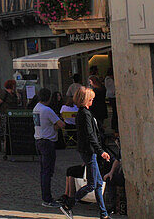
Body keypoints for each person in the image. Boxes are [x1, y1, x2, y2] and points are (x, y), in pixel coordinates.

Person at [59, 85, 111, 219]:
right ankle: (68, 205)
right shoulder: (84, 114)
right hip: (89, 150)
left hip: (89, 149)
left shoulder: (84, 113)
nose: (92, 101)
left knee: (98, 184)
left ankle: (103, 214)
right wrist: (101, 152)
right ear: (86, 99)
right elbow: (90, 134)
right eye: (91, 99)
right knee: (92, 184)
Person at [33, 85, 65, 208]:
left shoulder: (36, 108)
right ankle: (47, 198)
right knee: (47, 171)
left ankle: (45, 196)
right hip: (47, 142)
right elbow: (61, 124)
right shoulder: (47, 110)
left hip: (39, 140)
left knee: (43, 171)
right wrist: (56, 126)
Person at [0, 78, 19, 158]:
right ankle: (6, 148)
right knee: (5, 131)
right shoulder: (4, 93)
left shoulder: (14, 94)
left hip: (12, 114)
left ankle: (10, 147)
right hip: (5, 114)